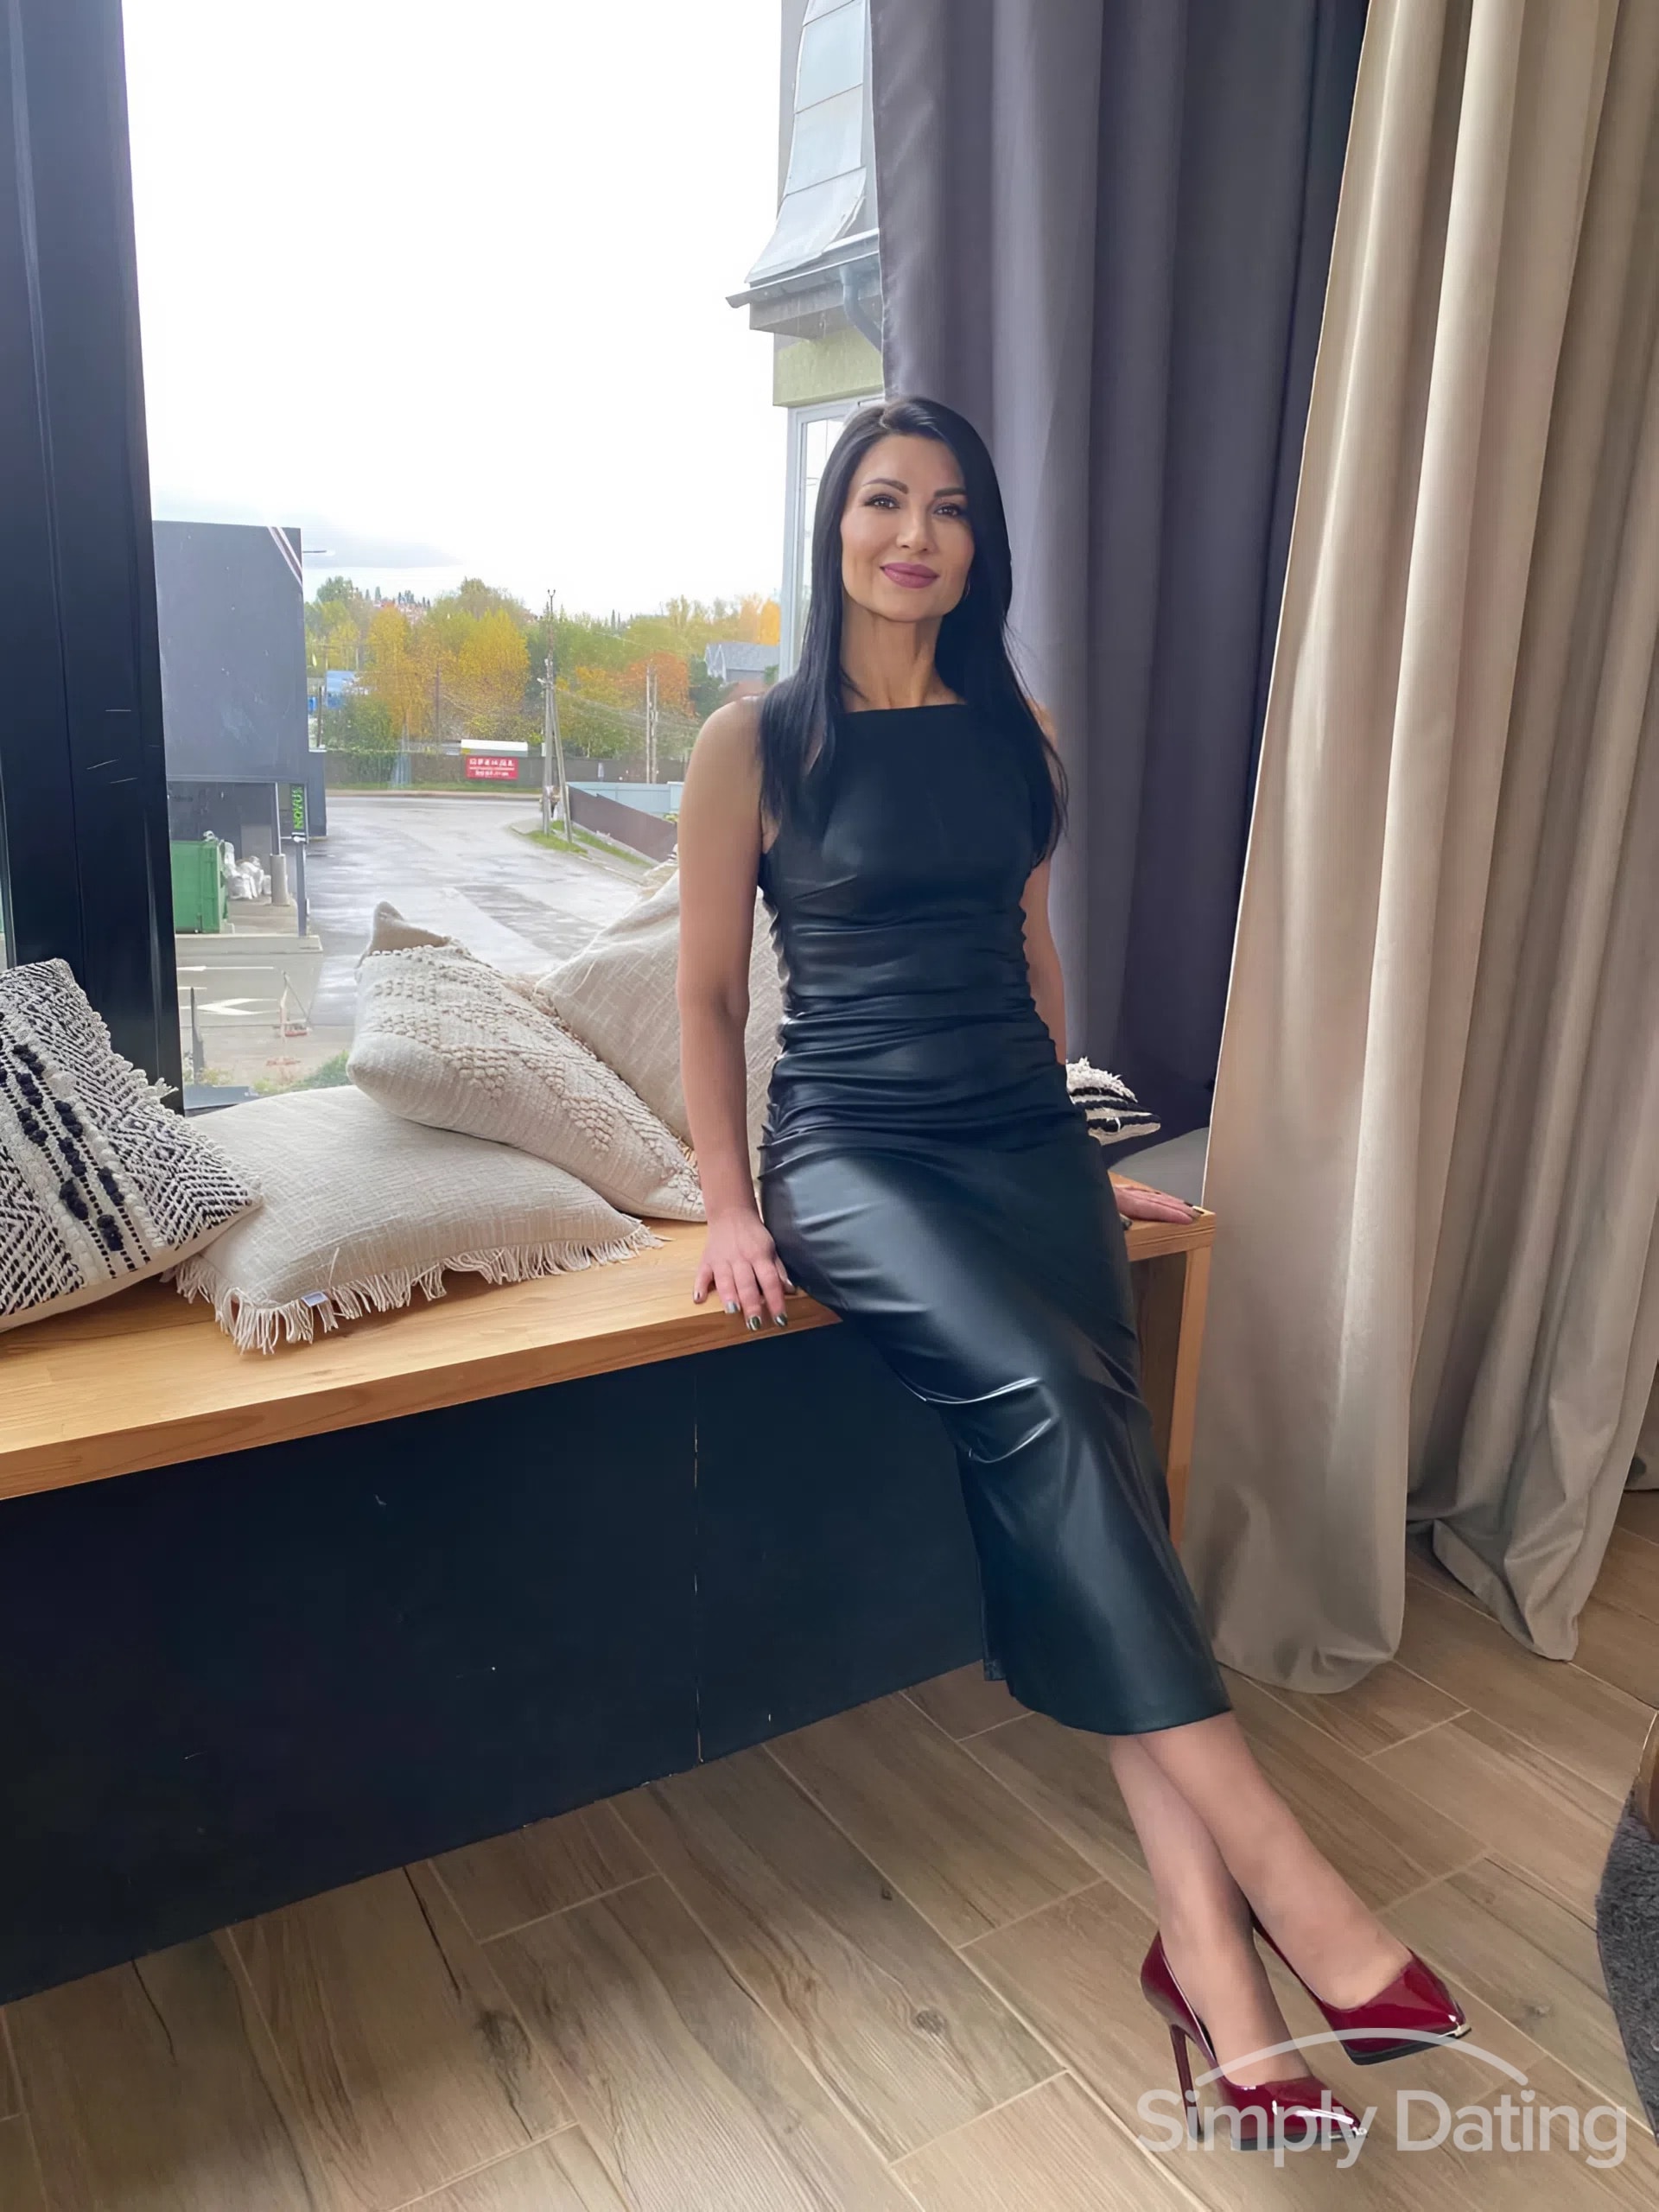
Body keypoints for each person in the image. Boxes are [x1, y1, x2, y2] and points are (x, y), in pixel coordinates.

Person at [674, 394, 1465, 2151]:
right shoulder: (757, 741)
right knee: (1049, 1403)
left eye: (950, 507)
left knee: (1107, 1491)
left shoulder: (1022, 734)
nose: (916, 535)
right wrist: (729, 1206)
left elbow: (1033, 965)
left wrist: (1090, 1162)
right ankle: (1290, 1879)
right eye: (884, 500)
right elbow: (711, 1000)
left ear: (982, 543)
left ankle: (1216, 1974)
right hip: (855, 1156)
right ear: (835, 526)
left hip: (1026, 1149)